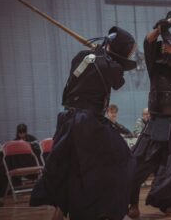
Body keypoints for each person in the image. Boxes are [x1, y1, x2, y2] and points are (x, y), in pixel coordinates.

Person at [30, 26, 137, 220]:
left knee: (71, 166)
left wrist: (98, 54)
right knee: (124, 158)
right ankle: (107, 211)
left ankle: (60, 213)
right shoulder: (110, 65)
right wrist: (102, 56)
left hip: (67, 119)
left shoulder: (83, 56)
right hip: (88, 122)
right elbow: (118, 81)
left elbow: (86, 69)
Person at [128, 11, 171, 218]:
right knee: (135, 165)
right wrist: (162, 26)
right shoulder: (154, 65)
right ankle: (132, 204)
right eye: (163, 45)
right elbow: (149, 41)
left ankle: (169, 205)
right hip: (155, 122)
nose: (164, 47)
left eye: (168, 45)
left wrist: (167, 30)